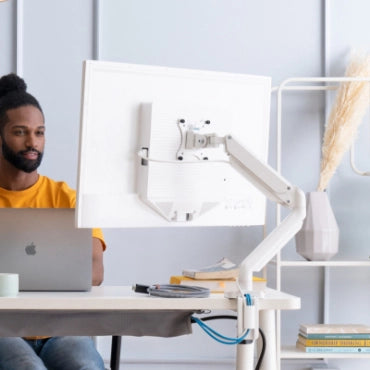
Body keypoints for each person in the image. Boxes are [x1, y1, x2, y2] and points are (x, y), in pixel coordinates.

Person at [0, 73, 106, 370]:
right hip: (3, 329)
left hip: (61, 328)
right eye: (20, 132)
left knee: (84, 366)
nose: (32, 142)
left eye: (39, 132)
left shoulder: (66, 198)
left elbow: (95, 271)